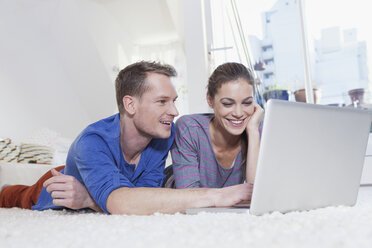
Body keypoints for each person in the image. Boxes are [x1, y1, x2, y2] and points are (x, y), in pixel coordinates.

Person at [0, 61, 252, 215]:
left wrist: (91, 199)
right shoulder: (92, 141)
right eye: (162, 101)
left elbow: (144, 196)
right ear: (130, 104)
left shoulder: (163, 135)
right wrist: (217, 196)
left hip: (103, 185)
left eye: (173, 101)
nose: (174, 111)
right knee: (12, 196)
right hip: (59, 185)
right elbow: (122, 202)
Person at [170, 62, 264, 191]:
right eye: (227, 104)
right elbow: (188, 195)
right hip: (176, 196)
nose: (238, 113)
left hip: (222, 204)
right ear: (210, 100)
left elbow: (257, 195)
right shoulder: (190, 129)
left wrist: (253, 132)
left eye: (247, 103)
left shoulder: (256, 129)